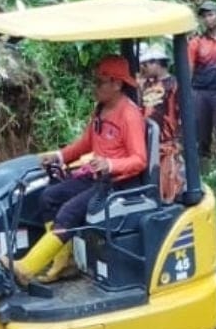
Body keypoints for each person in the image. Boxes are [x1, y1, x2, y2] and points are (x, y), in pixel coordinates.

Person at [9, 56, 147, 284]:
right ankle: (65, 262)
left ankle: (25, 268)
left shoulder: (129, 115)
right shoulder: (101, 110)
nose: (95, 87)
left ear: (117, 84)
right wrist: (60, 156)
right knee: (49, 198)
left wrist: (109, 164)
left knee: (68, 212)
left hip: (118, 183)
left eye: (100, 82)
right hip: (96, 177)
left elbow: (140, 160)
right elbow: (85, 144)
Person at [137, 42, 184, 202]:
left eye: (146, 64)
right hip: (148, 139)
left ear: (157, 63)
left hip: (167, 141)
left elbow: (181, 113)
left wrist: (179, 138)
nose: (143, 67)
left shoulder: (174, 84)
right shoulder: (147, 83)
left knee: (168, 180)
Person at [188, 0, 216, 166]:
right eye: (204, 16)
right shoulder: (196, 42)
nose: (207, 19)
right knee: (201, 136)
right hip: (200, 92)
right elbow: (189, 69)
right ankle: (203, 174)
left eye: (211, 14)